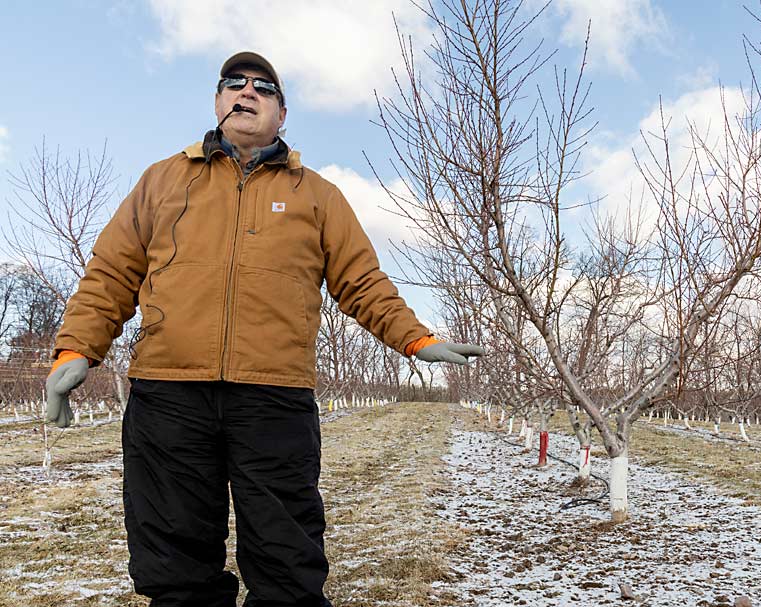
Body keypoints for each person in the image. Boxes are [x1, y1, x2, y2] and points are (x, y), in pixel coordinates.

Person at [44, 51, 484, 607]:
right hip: (169, 395)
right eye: (233, 84)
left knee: (287, 567)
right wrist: (75, 349)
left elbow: (362, 281)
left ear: (282, 115)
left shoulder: (317, 195)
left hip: (273, 396)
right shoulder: (162, 180)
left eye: (263, 88)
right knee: (175, 570)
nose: (245, 92)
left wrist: (415, 338)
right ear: (217, 101)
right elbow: (111, 273)